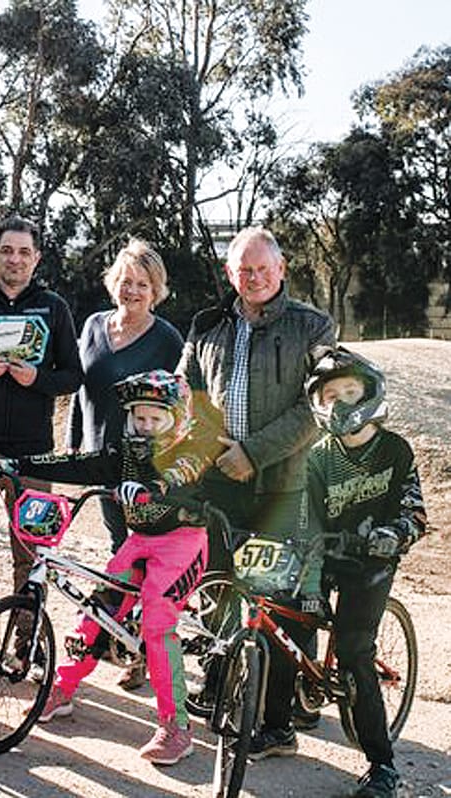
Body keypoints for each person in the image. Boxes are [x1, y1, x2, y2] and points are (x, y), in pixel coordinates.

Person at [0, 369, 221, 765]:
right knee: (95, 610)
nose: (146, 426)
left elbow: (182, 474)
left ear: (179, 421)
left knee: (158, 622)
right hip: (138, 542)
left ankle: (177, 727)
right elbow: (77, 464)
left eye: (157, 418)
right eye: (140, 417)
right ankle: (62, 688)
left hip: (182, 543)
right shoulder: (122, 453)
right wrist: (14, 465)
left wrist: (153, 488)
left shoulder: (189, 452)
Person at [178, 225, 335, 757]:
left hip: (281, 485)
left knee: (274, 604)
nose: (254, 277)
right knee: (221, 591)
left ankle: (277, 725)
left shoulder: (312, 327)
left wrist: (253, 452)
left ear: (282, 269)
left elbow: (317, 409)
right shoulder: (206, 326)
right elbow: (187, 393)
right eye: (244, 269)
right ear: (230, 273)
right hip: (219, 481)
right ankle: (221, 692)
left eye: (263, 268)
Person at [0, 215, 81, 636]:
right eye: (7, 250)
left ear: (37, 258)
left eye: (24, 252)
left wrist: (38, 380)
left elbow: (73, 375)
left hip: (35, 453)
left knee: (31, 551)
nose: (15, 259)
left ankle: (26, 638)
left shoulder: (54, 307)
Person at [304, 349, 426, 798]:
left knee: (355, 651)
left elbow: (415, 512)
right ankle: (280, 722)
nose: (339, 402)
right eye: (330, 394)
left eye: (349, 392)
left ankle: (382, 765)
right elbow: (306, 519)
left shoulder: (394, 449)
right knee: (285, 618)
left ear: (369, 392)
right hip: (329, 555)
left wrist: (393, 534)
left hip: (372, 563)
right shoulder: (319, 456)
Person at [75, 240, 183, 555]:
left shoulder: (167, 339)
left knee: (145, 547)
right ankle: (126, 604)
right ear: (114, 284)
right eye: (126, 281)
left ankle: (148, 605)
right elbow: (83, 385)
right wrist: (74, 440)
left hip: (146, 466)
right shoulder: (93, 326)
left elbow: (182, 405)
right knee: (117, 545)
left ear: (155, 291)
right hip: (101, 458)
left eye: (142, 284)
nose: (132, 291)